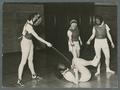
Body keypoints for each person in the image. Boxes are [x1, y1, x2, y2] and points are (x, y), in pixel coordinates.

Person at [17, 13, 52, 86]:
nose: (38, 21)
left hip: (30, 42)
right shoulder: (29, 26)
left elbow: (26, 32)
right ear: (34, 19)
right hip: (25, 43)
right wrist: (47, 43)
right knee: (23, 61)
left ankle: (34, 75)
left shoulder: (29, 22)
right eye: (37, 19)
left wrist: (23, 34)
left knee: (30, 60)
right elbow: (37, 37)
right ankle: (19, 80)